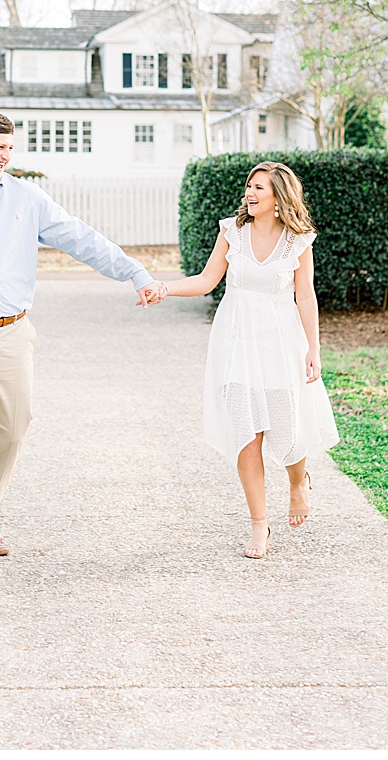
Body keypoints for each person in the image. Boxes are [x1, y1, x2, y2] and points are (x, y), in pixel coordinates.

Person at [0, 110, 165, 584]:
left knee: (12, 430)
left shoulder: (27, 197)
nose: (6, 155)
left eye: (10, 147)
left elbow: (81, 238)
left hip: (12, 333)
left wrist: (135, 272)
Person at [152, 161, 338, 558]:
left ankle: (298, 481)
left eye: (259, 188)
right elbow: (207, 280)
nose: (250, 193)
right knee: (246, 434)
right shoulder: (231, 232)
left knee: (287, 429)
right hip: (235, 341)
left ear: (279, 198)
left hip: (280, 341)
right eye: (249, 186)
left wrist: (314, 348)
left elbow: (305, 295)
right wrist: (164, 288)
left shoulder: (298, 241)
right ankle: (259, 524)